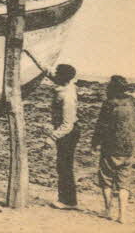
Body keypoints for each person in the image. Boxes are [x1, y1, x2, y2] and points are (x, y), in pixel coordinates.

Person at [91, 75, 135, 224]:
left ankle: (108, 211)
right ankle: (122, 215)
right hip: (129, 146)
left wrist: (95, 142)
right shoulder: (133, 102)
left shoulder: (109, 103)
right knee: (124, 181)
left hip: (111, 146)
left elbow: (101, 126)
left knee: (106, 178)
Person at [48, 64, 80, 210]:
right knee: (63, 165)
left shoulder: (67, 96)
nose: (54, 75)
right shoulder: (66, 85)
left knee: (64, 166)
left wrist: (52, 137)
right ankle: (68, 199)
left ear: (62, 77)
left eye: (57, 73)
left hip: (68, 133)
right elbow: (50, 75)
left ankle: (68, 201)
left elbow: (68, 124)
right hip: (67, 131)